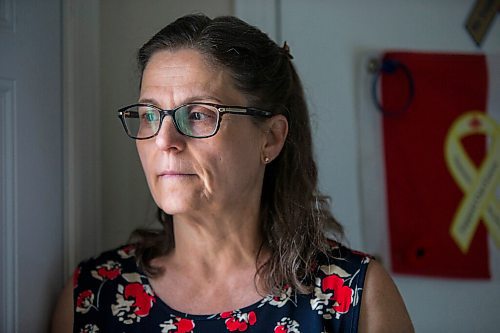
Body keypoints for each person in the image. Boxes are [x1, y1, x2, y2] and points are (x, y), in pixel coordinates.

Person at [52, 14, 414, 333]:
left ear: (270, 139)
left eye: (197, 115)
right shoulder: (93, 297)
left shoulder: (355, 299)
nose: (164, 140)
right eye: (149, 115)